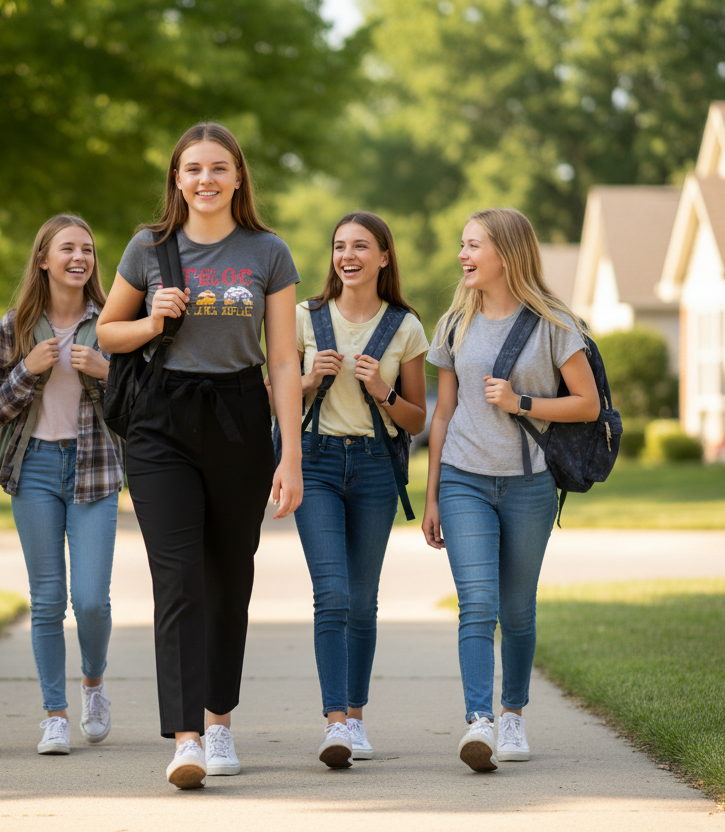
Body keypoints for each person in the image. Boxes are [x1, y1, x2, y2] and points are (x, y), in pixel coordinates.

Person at [96, 122, 304, 790]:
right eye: (193, 169)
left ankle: (219, 723)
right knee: (178, 577)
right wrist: (152, 320)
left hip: (239, 414)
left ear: (238, 177)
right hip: (161, 421)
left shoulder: (268, 252)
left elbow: (282, 360)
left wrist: (291, 455)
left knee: (229, 577)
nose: (206, 179)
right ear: (177, 179)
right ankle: (186, 738)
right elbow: (107, 332)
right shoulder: (148, 247)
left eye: (219, 168)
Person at [422, 208, 599, 772]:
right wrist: (432, 495)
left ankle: (513, 714)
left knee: (518, 609)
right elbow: (442, 414)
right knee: (478, 603)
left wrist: (522, 402)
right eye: (463, 244)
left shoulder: (554, 324)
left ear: (507, 252)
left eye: (473, 245)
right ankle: (480, 721)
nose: (462, 255)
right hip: (463, 479)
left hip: (529, 484)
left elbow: (588, 405)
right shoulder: (454, 322)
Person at [291, 212, 428, 768]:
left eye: (361, 246)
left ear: (384, 257)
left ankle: (356, 716)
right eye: (339, 246)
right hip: (316, 463)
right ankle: (335, 724)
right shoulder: (305, 317)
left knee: (363, 600)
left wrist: (383, 391)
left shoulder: (405, 326)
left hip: (375, 467)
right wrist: (307, 381)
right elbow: (272, 395)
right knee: (332, 594)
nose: (348, 256)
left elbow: (416, 418)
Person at [0, 215, 122, 756]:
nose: (79, 258)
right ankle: (55, 714)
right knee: (47, 601)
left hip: (95, 467)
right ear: (43, 259)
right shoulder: (15, 327)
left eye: (87, 249)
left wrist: (108, 372)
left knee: (90, 601)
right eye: (67, 248)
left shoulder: (113, 321)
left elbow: (143, 400)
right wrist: (27, 369)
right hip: (35, 468)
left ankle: (93, 683)